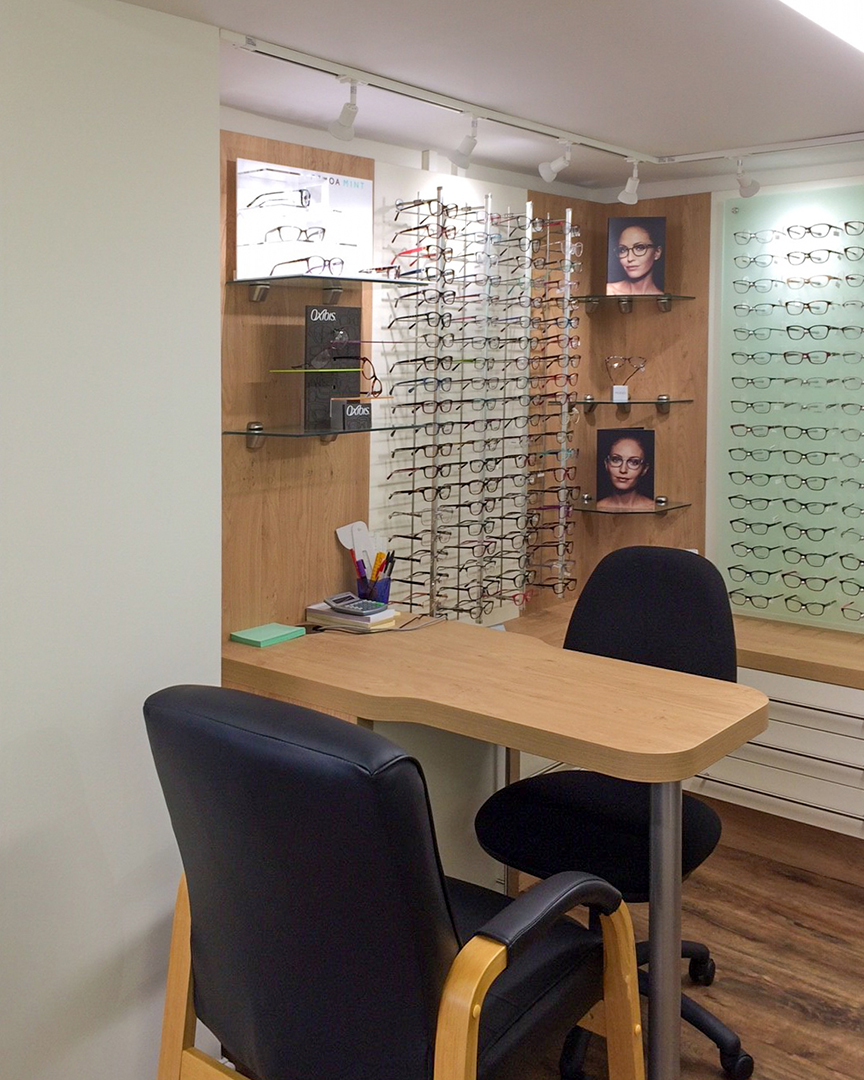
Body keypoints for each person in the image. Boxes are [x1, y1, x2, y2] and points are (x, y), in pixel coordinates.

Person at [596, 433, 654, 511]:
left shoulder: (653, 508)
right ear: (606, 464)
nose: (623, 470)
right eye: (616, 460)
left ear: (644, 469)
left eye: (634, 462)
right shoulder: (597, 507)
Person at [606, 220, 664, 295]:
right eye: (623, 250)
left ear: (657, 252)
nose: (630, 259)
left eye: (639, 248)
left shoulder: (662, 297)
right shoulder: (609, 291)